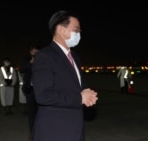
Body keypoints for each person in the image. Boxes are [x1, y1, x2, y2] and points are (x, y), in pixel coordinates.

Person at [31, 10, 98, 141]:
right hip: (55, 130)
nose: (79, 34)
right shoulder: (45, 56)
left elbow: (78, 85)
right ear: (62, 30)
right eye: (76, 30)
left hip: (76, 128)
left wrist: (87, 93)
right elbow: (43, 96)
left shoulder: (75, 57)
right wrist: (79, 98)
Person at [19, 44, 40, 139]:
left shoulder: (42, 60)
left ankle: (40, 132)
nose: (35, 54)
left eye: (37, 52)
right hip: (30, 90)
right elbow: (21, 69)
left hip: (40, 91)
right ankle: (32, 134)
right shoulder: (26, 60)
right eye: (34, 52)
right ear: (30, 51)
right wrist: (30, 63)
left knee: (40, 113)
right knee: (31, 113)